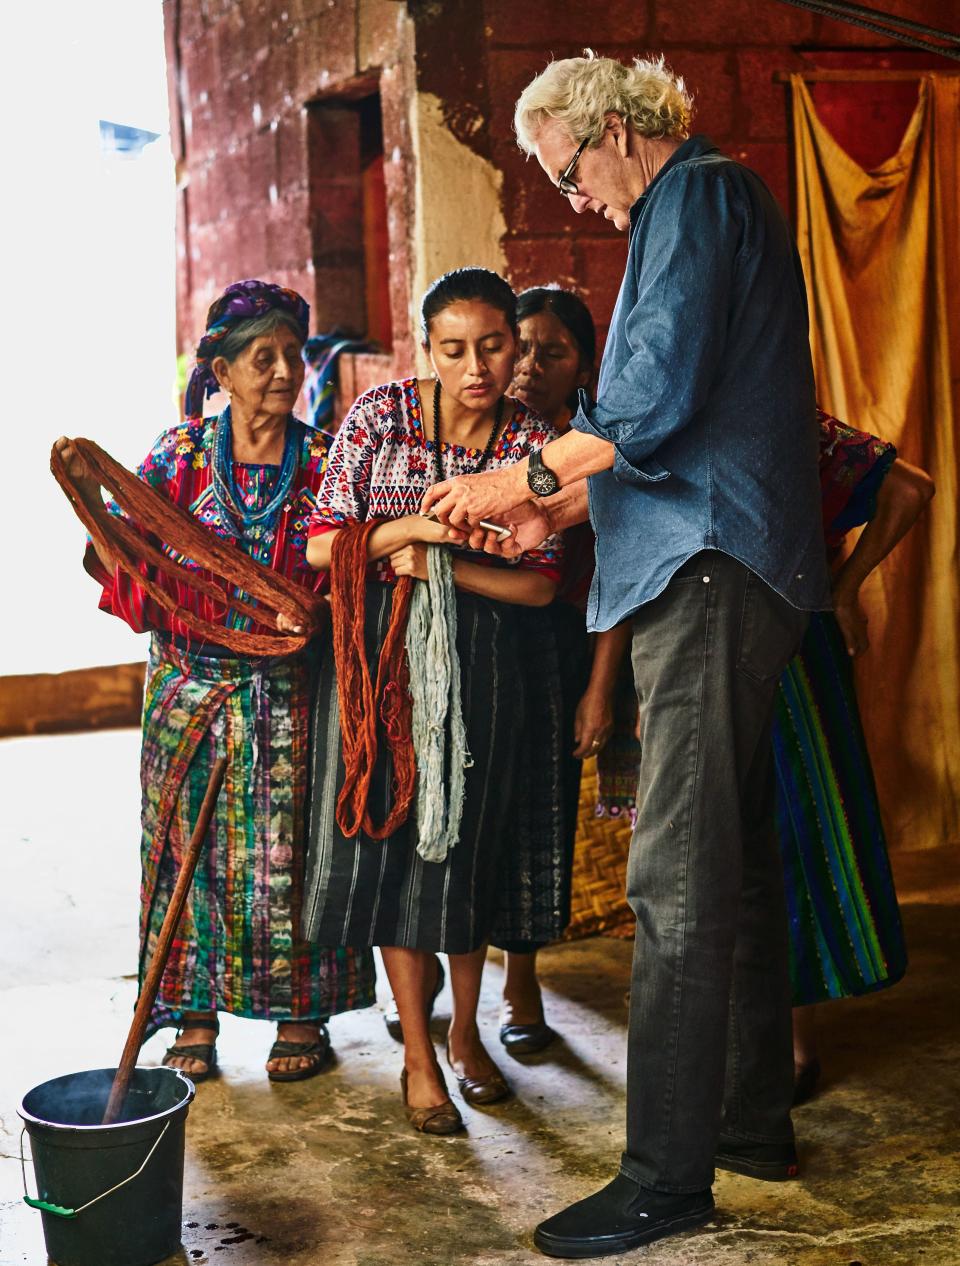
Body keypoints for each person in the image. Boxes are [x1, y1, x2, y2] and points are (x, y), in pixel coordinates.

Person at [423, 53, 832, 1257]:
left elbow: (650, 400)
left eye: (567, 170)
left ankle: (664, 1179)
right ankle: (750, 1125)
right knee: (736, 862)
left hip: (713, 573)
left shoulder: (697, 196)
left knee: (673, 882)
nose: (571, 198)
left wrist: (520, 475)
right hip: (712, 563)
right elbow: (663, 436)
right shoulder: (690, 207)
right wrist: (558, 510)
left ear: (613, 127)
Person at [55, 279, 376, 1083]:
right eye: (259, 358)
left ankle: (300, 1012)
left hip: (288, 697)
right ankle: (192, 1016)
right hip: (188, 689)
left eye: (290, 356)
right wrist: (103, 516)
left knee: (288, 852)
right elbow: (128, 554)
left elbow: (350, 571)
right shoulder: (178, 456)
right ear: (221, 373)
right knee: (183, 857)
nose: (279, 371)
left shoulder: (324, 460)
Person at [591, 412, 935, 1101]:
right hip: (692, 654)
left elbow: (909, 487)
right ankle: (736, 1041)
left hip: (788, 656)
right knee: (710, 848)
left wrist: (846, 584)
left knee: (791, 836)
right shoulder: (653, 424)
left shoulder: (785, 423)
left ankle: (793, 1040)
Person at [302, 267, 563, 1135]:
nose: (477, 366)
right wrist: (414, 528)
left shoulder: (532, 439)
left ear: (514, 346)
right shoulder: (377, 418)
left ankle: (465, 1029)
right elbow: (320, 546)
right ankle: (419, 1052)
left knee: (464, 851)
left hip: (484, 663)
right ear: (428, 349)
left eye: (493, 346)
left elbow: (540, 589)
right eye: (454, 349)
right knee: (394, 852)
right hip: (375, 664)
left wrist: (450, 566)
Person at [493, 286, 599, 1054]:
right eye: (519, 346)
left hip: (555, 646)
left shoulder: (595, 451)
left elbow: (618, 580)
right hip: (462, 639)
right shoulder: (477, 440)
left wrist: (598, 687)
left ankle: (521, 983)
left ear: (583, 368)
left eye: (551, 352)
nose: (528, 366)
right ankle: (434, 976)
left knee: (536, 817)